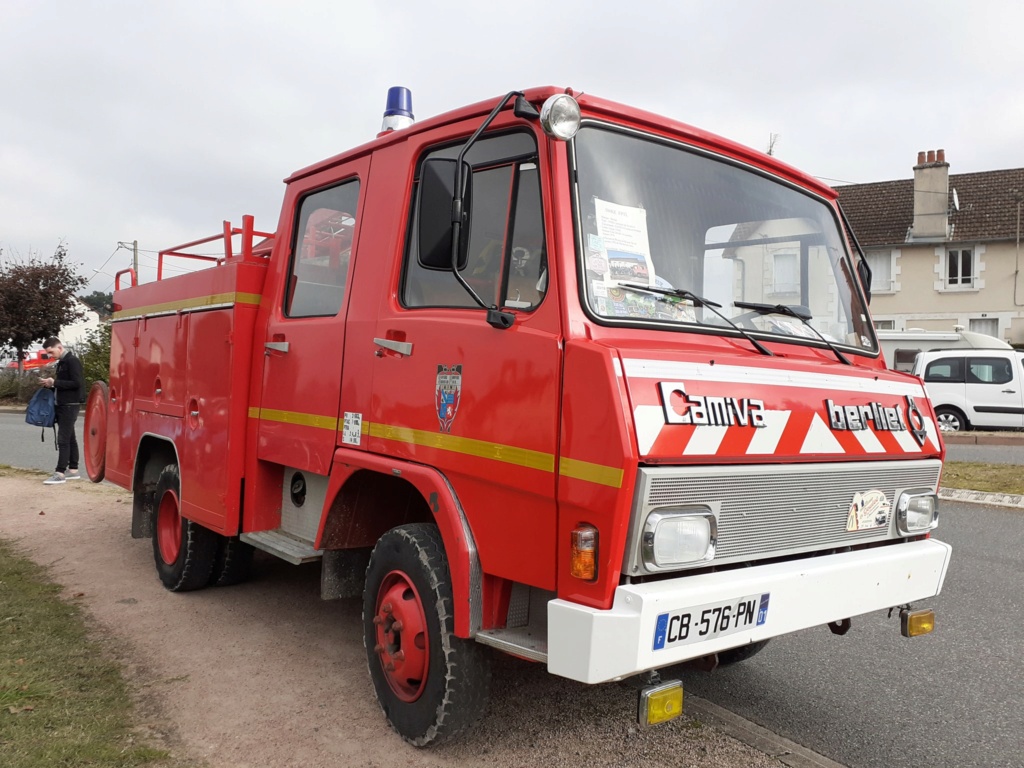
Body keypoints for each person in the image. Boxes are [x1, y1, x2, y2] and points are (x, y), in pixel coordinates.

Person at [38, 337, 86, 484]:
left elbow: (77, 383)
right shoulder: (63, 362)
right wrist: (51, 385)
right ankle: (73, 470)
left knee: (63, 439)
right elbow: (66, 384)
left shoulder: (72, 361)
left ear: (59, 347)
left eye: (51, 352)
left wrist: (55, 382)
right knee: (70, 438)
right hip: (64, 404)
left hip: (69, 405)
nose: (51, 355)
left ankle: (60, 473)